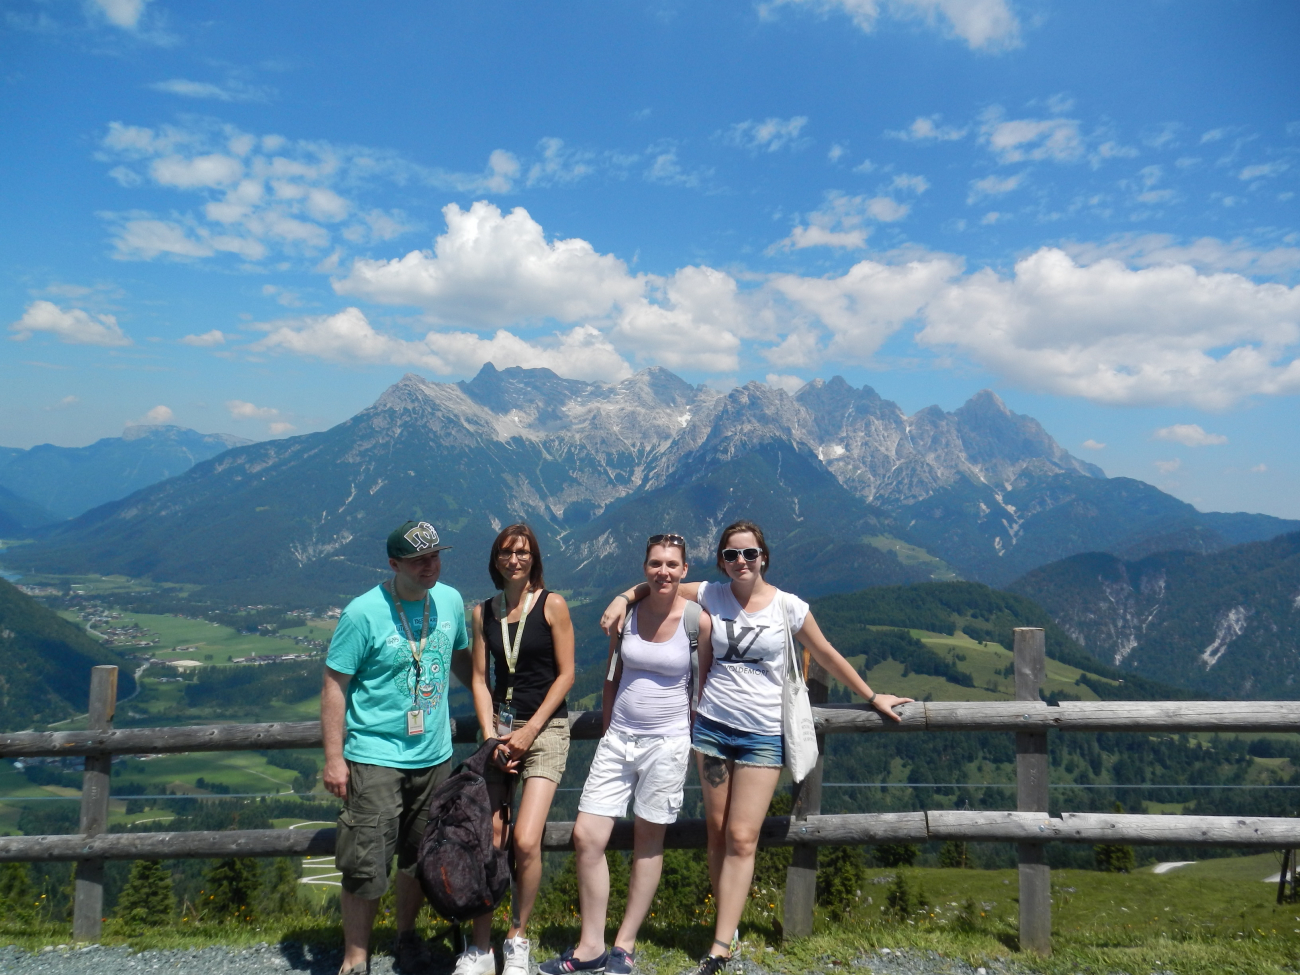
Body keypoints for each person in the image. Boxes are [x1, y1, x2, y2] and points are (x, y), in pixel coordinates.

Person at [599, 519, 913, 975]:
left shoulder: (789, 606)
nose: (740, 562)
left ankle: (720, 945)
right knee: (717, 831)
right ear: (721, 561)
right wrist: (621, 598)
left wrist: (871, 694)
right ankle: (727, 923)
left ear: (764, 556)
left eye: (749, 554)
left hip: (763, 734)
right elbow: (658, 583)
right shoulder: (710, 593)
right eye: (731, 555)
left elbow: (825, 653)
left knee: (743, 837)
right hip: (710, 727)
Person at [541, 533, 713, 975]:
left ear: (685, 570)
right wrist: (607, 724)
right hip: (619, 738)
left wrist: (692, 741)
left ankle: (625, 944)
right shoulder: (629, 616)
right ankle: (590, 944)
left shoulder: (698, 621)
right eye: (656, 563)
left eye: (672, 564)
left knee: (648, 842)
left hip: (668, 742)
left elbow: (704, 684)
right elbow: (612, 675)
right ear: (644, 568)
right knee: (587, 836)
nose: (664, 572)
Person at [322, 520, 473, 975]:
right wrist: (334, 759)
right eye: (420, 559)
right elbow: (334, 684)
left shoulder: (449, 601)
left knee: (419, 858)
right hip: (375, 757)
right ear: (394, 565)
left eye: (436, 556)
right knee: (367, 862)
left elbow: (464, 661)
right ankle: (356, 955)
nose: (432, 566)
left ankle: (406, 937)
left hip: (435, 755)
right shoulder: (362, 613)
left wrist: (496, 711)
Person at [456, 524, 576, 975]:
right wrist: (491, 736)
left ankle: (518, 937)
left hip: (544, 731)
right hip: (498, 732)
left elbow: (566, 675)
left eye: (523, 552)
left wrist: (528, 733)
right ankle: (480, 948)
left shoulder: (553, 605)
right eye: (506, 552)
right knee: (491, 839)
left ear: (534, 558)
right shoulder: (482, 612)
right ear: (496, 559)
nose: (515, 559)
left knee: (525, 840)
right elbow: (479, 680)